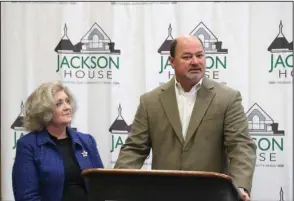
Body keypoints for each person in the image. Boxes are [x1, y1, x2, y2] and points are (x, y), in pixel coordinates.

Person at [114, 35, 256, 201]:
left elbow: (240, 145)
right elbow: (134, 149)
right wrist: (118, 185)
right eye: (187, 57)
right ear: (172, 61)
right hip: (164, 195)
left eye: (200, 55)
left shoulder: (228, 98)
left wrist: (239, 186)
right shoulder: (150, 102)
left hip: (212, 195)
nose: (195, 62)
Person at [12, 81, 104, 201]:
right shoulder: (28, 145)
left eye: (67, 101)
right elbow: (26, 197)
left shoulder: (87, 141)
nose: (67, 107)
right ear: (44, 111)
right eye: (59, 104)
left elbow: (101, 187)